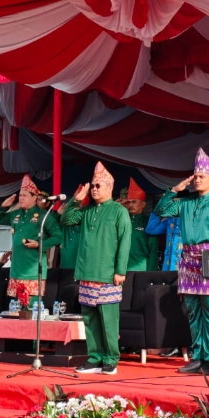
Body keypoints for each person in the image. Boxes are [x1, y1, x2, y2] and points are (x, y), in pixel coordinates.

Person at [155, 148, 209, 376]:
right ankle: (197, 357)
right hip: (188, 257)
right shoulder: (186, 202)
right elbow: (160, 211)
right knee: (192, 310)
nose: (197, 180)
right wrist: (174, 190)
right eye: (195, 176)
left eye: (202, 176)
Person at [61, 161, 131, 375]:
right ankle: (94, 358)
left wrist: (120, 271)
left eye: (98, 185)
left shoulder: (119, 211)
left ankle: (110, 360)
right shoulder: (86, 211)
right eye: (92, 185)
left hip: (108, 274)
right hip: (86, 272)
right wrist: (76, 200)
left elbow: (125, 242)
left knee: (108, 320)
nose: (94, 189)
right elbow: (66, 219)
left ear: (110, 187)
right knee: (90, 320)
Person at [0, 175, 61, 308]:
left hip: (33, 271)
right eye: (20, 195)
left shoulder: (43, 216)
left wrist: (39, 244)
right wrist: (3, 206)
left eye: (24, 195)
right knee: (16, 308)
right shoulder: (16, 214)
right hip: (16, 270)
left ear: (35, 197)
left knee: (31, 309)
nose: (21, 198)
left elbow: (58, 237)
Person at [121, 179, 159, 272]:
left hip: (141, 269)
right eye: (128, 202)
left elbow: (153, 251)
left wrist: (150, 274)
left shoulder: (148, 223)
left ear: (143, 204)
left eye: (134, 202)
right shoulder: (121, 221)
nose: (130, 205)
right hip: (121, 270)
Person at [57, 200, 82, 270]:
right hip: (66, 258)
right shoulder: (64, 222)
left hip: (80, 259)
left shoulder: (84, 219)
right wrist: (59, 215)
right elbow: (55, 232)